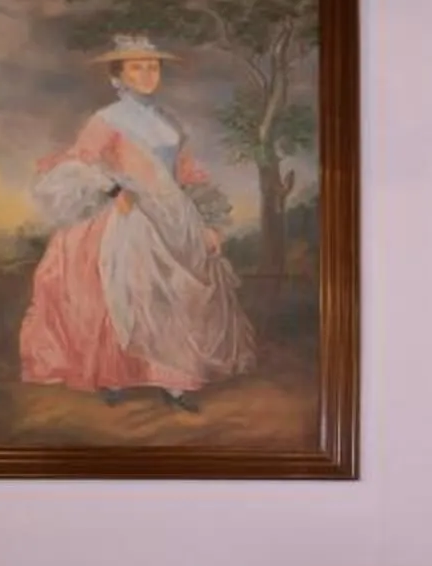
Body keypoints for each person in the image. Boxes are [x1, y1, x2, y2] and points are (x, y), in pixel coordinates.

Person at [18, 33, 256, 410]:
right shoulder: (106, 119)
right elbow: (79, 162)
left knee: (175, 295)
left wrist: (208, 221)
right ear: (118, 76)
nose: (147, 74)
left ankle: (174, 383)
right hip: (127, 214)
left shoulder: (168, 121)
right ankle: (117, 375)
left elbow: (185, 172)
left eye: (153, 67)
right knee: (130, 291)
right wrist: (114, 189)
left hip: (175, 215)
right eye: (137, 68)